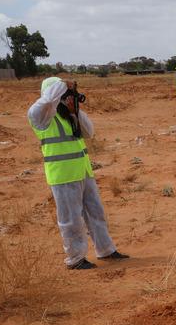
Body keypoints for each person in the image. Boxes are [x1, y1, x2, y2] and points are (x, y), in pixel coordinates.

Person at [27, 77, 129, 269]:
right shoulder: (42, 118)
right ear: (54, 94)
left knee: (96, 213)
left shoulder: (69, 115)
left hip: (83, 172)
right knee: (71, 219)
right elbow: (46, 102)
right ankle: (75, 259)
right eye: (64, 94)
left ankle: (106, 249)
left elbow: (89, 132)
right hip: (63, 175)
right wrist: (63, 85)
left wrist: (76, 112)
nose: (68, 97)